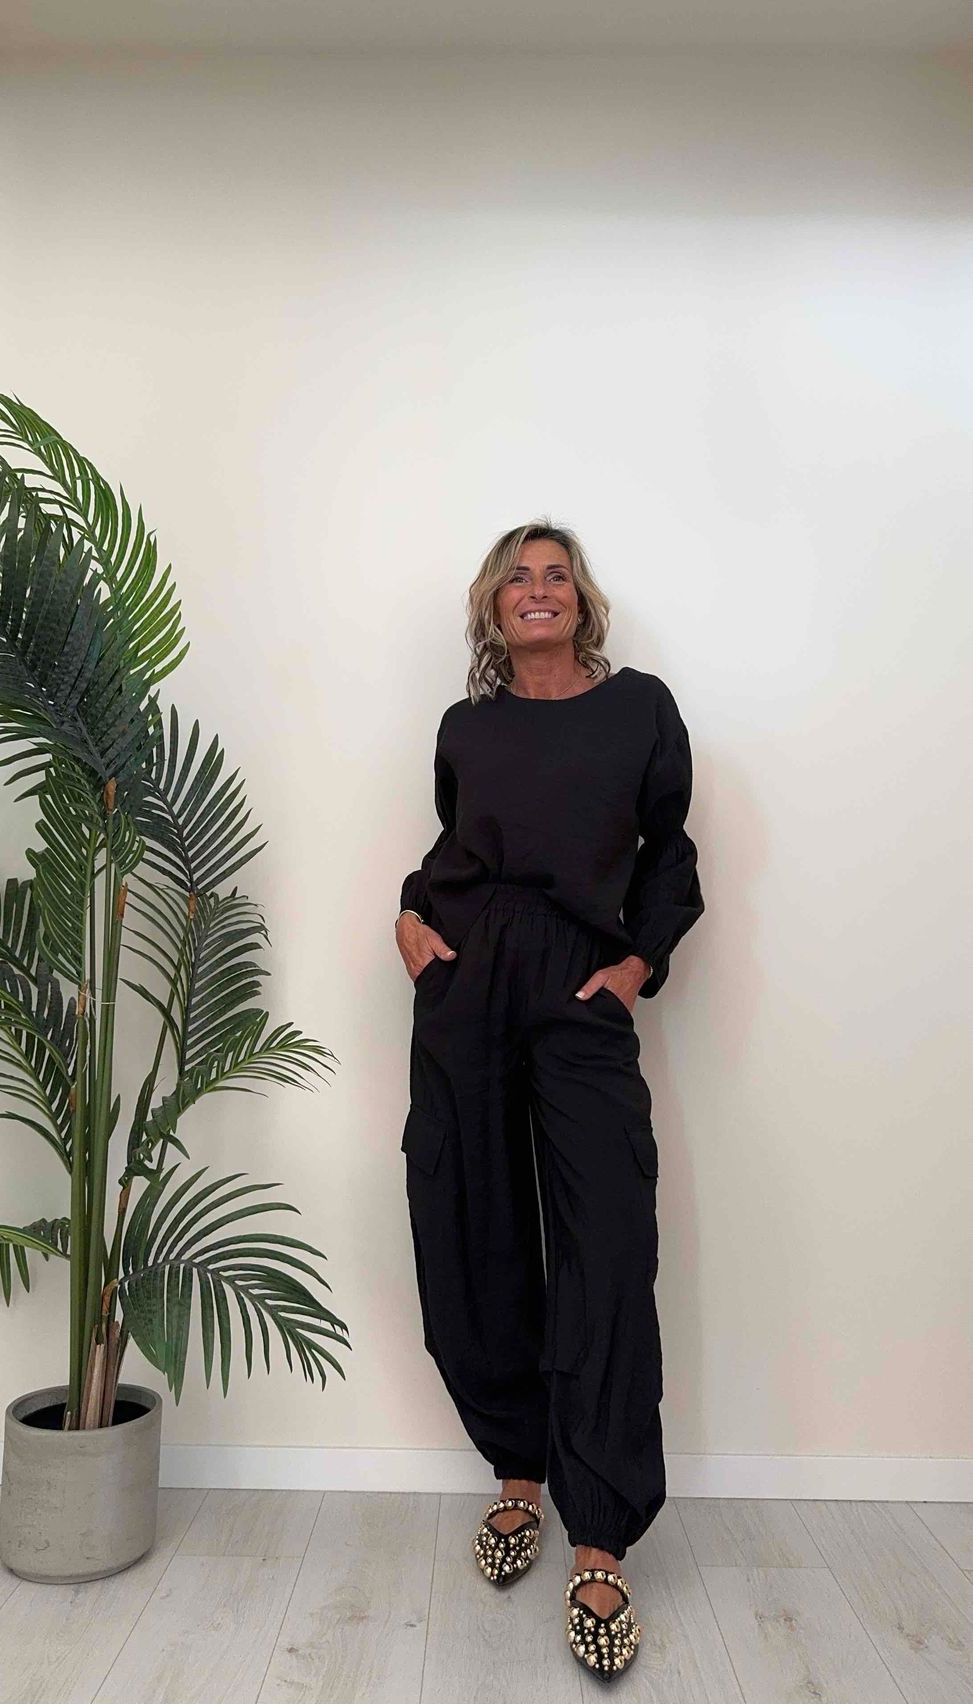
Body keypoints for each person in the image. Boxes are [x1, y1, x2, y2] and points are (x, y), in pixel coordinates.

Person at [395, 517, 705, 1682]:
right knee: (468, 1223)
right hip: (467, 984)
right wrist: (409, 920)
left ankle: (598, 1533)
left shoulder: (638, 711)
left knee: (605, 1242)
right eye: (517, 577)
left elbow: (668, 854)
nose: (538, 589)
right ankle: (517, 1472)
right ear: (493, 606)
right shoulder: (465, 727)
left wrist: (633, 966)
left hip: (579, 991)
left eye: (556, 575)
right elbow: (453, 851)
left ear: (581, 601)